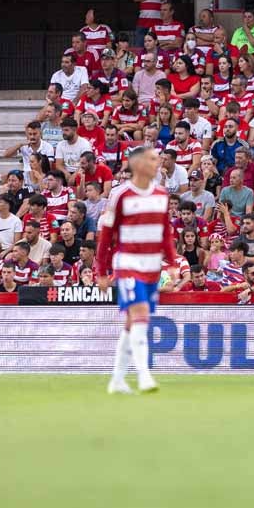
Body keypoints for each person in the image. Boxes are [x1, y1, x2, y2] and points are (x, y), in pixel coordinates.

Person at [96, 146, 177, 394]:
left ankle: (117, 379)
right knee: (141, 313)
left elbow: (166, 233)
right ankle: (144, 375)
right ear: (138, 164)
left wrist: (172, 262)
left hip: (152, 266)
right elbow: (106, 236)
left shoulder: (162, 194)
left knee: (133, 321)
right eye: (153, 159)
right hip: (128, 264)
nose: (158, 163)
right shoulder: (121, 196)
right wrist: (101, 271)